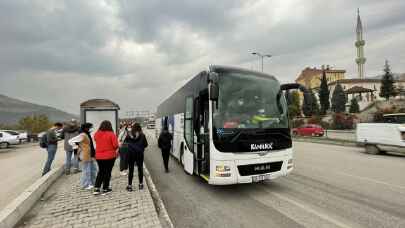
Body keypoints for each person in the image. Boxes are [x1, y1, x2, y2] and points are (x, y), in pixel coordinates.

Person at [93, 120, 119, 195]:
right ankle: (105, 188)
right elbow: (115, 145)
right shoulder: (111, 134)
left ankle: (96, 188)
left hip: (99, 157)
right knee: (107, 172)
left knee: (101, 171)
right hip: (110, 156)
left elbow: (95, 140)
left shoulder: (97, 134)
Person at [68, 123, 97, 190]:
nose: (90, 129)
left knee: (93, 169)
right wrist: (77, 147)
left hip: (91, 154)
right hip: (85, 154)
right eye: (89, 127)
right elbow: (70, 141)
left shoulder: (87, 134)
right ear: (86, 128)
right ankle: (85, 185)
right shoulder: (82, 135)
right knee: (86, 170)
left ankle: (93, 182)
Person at [126, 123, 148, 191]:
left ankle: (130, 186)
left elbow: (126, 142)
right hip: (139, 154)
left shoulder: (128, 135)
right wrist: (140, 147)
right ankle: (140, 184)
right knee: (140, 169)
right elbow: (146, 145)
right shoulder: (142, 135)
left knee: (131, 169)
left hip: (131, 154)